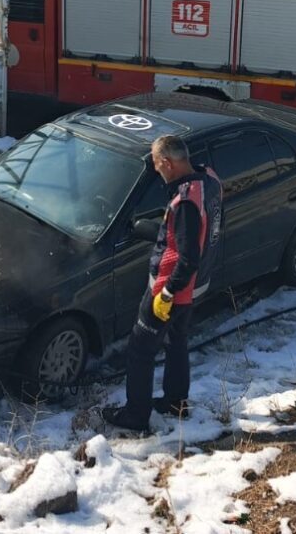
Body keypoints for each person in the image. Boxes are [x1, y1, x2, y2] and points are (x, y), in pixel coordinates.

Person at [102, 135, 222, 434]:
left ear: (168, 163)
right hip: (196, 285)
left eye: (157, 165)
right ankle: (175, 402)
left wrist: (166, 293)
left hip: (171, 290)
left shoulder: (185, 203)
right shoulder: (209, 179)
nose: (157, 171)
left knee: (139, 350)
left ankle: (135, 415)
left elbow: (188, 256)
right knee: (176, 341)